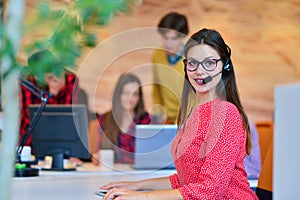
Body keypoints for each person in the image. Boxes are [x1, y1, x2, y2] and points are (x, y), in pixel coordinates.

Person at [100, 29, 258, 199]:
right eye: (193, 63)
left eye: (210, 63)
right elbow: (186, 180)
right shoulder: (193, 114)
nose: (200, 71)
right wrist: (138, 185)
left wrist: (143, 197)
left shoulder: (226, 113)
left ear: (224, 66)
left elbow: (210, 190)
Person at [20, 50, 79, 146]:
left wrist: (57, 90)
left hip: (63, 142)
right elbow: (31, 120)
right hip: (31, 143)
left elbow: (68, 119)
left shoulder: (70, 80)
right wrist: (52, 94)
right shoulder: (28, 82)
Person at [97, 73, 151, 164]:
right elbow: (98, 151)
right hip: (111, 173)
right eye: (126, 93)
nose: (131, 98)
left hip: (139, 174)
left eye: (135, 94)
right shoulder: (105, 119)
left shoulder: (145, 120)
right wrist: (96, 156)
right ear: (118, 94)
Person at [152, 12, 189, 124]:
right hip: (165, 119)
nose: (168, 44)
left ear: (183, 37)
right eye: (165, 38)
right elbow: (156, 87)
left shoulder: (191, 60)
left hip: (186, 119)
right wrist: (157, 113)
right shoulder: (157, 55)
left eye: (173, 39)